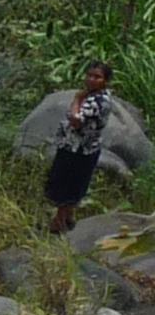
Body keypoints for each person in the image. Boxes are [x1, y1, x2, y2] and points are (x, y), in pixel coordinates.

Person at [45, 61, 115, 234]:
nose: (92, 79)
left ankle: (58, 223)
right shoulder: (91, 95)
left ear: (105, 80)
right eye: (89, 75)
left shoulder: (99, 100)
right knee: (69, 183)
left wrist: (77, 99)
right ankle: (66, 218)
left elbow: (75, 121)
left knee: (67, 184)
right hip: (74, 147)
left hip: (80, 150)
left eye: (97, 77)